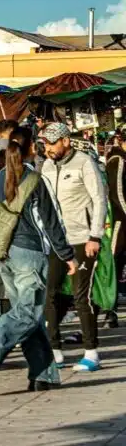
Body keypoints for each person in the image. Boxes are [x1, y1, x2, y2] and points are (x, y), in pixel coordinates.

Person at [0, 140, 77, 394]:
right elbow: (51, 222)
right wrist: (67, 255)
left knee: (30, 315)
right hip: (29, 254)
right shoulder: (35, 180)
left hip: (4, 253)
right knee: (28, 313)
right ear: (31, 150)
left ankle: (44, 375)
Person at [38, 122, 108, 372]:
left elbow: (99, 199)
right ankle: (54, 350)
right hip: (56, 242)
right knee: (51, 294)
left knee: (81, 295)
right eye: (44, 144)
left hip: (82, 239)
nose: (48, 148)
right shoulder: (46, 166)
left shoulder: (84, 163)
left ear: (66, 141)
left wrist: (95, 235)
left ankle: (91, 352)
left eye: (52, 143)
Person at [105, 132, 126, 327]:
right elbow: (118, 192)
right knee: (114, 264)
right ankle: (109, 311)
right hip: (120, 222)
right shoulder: (117, 160)